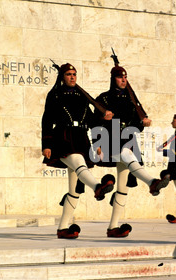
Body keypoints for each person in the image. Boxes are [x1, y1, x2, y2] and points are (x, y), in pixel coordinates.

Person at [92, 65, 170, 238]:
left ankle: (113, 227)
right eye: (120, 78)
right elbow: (93, 121)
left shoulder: (130, 99)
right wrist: (96, 140)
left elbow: (135, 125)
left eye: (125, 77)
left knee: (122, 187)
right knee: (126, 155)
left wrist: (143, 123)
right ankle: (151, 182)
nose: (123, 80)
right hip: (109, 138)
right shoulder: (103, 98)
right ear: (114, 79)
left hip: (127, 139)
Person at [41, 62, 115, 239]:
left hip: (81, 137)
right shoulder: (55, 95)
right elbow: (47, 120)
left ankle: (62, 228)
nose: (72, 77)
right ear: (62, 77)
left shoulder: (82, 96)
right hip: (63, 136)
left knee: (74, 189)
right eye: (68, 74)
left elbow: (90, 119)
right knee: (77, 161)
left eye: (74, 74)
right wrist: (46, 144)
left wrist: (98, 139)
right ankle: (97, 187)